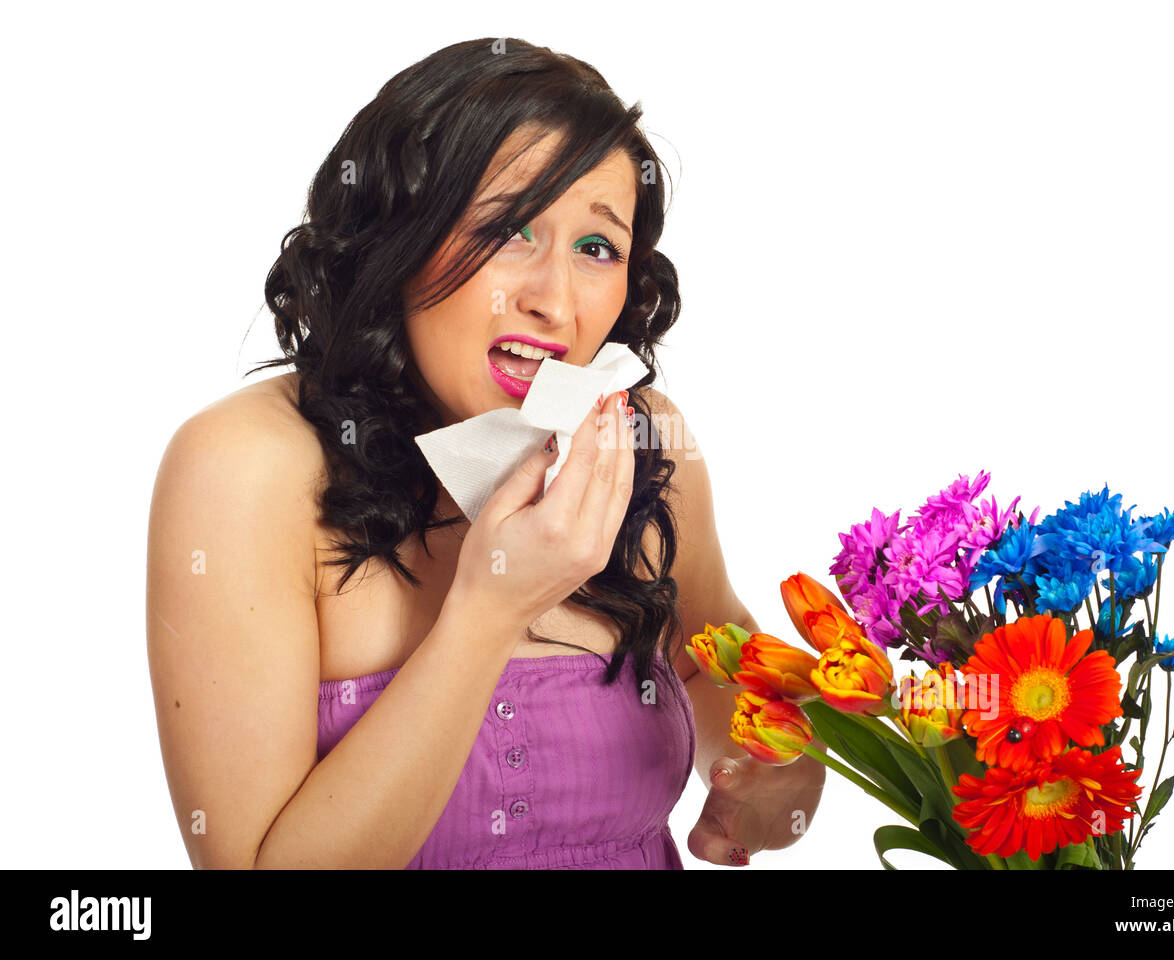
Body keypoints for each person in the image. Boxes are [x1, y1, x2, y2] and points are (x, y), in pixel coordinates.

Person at [146, 37, 824, 869]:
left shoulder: (639, 445)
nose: (551, 299)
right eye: (509, 230)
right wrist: (490, 610)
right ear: (397, 236)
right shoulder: (247, 468)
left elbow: (724, 677)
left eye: (596, 247)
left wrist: (781, 774)